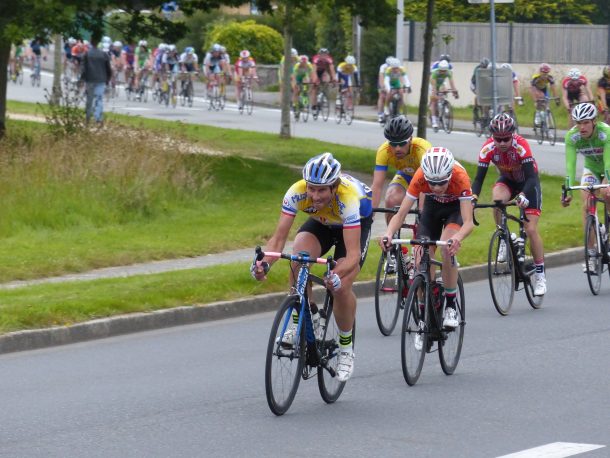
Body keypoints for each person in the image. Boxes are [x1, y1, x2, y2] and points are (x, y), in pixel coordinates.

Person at [251, 153, 373, 382]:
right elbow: (278, 241)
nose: (315, 196)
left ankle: (346, 348)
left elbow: (354, 255)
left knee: (341, 287)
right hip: (323, 224)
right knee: (298, 257)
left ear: (334, 187)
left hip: (353, 225)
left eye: (322, 190)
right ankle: (308, 317)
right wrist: (263, 264)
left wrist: (336, 275)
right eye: (312, 189)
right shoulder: (296, 192)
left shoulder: (349, 199)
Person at [381, 147, 474, 331]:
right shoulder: (420, 176)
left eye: (441, 183)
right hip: (432, 209)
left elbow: (469, 222)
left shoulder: (460, 177)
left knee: (447, 249)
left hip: (454, 210)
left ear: (449, 175)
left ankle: (450, 306)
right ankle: (425, 308)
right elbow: (400, 215)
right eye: (432, 183)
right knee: (420, 258)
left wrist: (457, 238)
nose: (437, 188)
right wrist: (388, 233)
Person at [471, 113, 547, 296]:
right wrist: (472, 198)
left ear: (513, 134)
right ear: (492, 137)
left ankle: (540, 274)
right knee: (497, 199)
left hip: (528, 184)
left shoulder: (521, 146)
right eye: (498, 139)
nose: (503, 143)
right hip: (508, 181)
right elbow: (479, 179)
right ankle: (504, 237)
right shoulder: (487, 148)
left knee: (530, 229)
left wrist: (522, 195)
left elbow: (531, 177)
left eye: (506, 139)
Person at [562, 103, 610, 271]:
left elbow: (608, 163)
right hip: (591, 169)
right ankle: (590, 254)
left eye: (585, 123)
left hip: (608, 167)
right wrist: (568, 190)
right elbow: (570, 165)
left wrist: (607, 182)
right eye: (578, 123)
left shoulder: (605, 133)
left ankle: (607, 230)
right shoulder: (572, 136)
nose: (581, 127)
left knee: (606, 192)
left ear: (594, 121)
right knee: (587, 206)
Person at [80, 35, 112, 125]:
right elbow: (108, 68)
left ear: (90, 41)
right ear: (99, 43)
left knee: (89, 99)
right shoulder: (104, 54)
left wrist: (82, 79)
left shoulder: (86, 54)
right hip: (101, 79)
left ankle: (87, 118)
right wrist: (108, 79)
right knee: (99, 98)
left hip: (90, 79)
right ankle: (98, 118)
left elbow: (84, 68)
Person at [429, 59, 458, 129]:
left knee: (444, 90)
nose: (442, 72)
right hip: (433, 84)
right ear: (439, 69)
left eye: (444, 71)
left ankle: (443, 105)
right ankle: (434, 121)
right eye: (441, 71)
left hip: (441, 83)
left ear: (446, 70)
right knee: (434, 100)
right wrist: (435, 94)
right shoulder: (435, 73)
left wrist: (455, 91)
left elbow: (451, 83)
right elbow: (434, 87)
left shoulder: (448, 72)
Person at [377, 56, 394, 123]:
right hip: (383, 81)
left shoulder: (395, 67)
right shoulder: (383, 67)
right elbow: (381, 77)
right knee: (381, 96)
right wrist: (382, 87)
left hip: (391, 82)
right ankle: (380, 114)